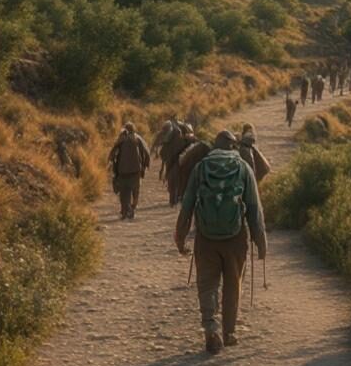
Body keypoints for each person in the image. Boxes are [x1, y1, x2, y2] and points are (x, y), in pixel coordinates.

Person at [174, 130, 266, 354]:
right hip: (235, 239)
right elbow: (254, 208)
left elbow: (187, 204)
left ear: (215, 146)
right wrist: (260, 241)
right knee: (233, 284)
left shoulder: (201, 167)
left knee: (207, 284)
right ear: (234, 146)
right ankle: (229, 332)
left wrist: (180, 236)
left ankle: (211, 328)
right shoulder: (243, 168)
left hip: (206, 238)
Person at [107, 122, 152, 220]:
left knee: (124, 193)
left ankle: (124, 211)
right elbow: (146, 152)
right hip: (136, 170)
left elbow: (112, 153)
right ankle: (132, 208)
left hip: (122, 171)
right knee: (135, 191)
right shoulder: (137, 138)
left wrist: (111, 166)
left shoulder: (121, 139)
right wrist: (146, 165)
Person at [160, 122, 195, 205]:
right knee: (181, 180)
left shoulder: (168, 140)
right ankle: (178, 197)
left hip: (171, 162)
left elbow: (162, 153)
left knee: (172, 181)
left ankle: (173, 199)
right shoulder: (185, 139)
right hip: (181, 162)